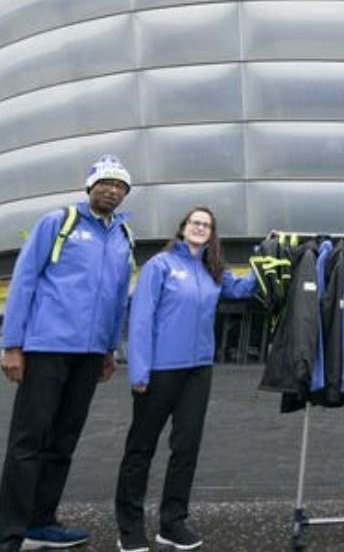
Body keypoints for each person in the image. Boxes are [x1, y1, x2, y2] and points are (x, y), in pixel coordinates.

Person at [0, 155, 136, 552]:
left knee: (63, 441)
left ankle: (41, 523)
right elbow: (24, 281)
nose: (112, 190)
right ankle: (9, 535)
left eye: (121, 185)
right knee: (28, 441)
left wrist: (110, 349)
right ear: (89, 187)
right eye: (105, 182)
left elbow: (117, 299)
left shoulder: (123, 236)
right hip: (46, 348)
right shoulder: (59, 223)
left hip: (90, 356)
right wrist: (12, 344)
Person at [114, 206, 257, 552]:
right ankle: (130, 528)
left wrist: (266, 255)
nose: (200, 227)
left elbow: (243, 289)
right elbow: (142, 319)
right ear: (182, 228)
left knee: (186, 447)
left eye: (206, 224)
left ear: (212, 234)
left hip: (198, 371)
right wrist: (139, 370)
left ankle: (172, 522)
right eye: (195, 222)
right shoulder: (160, 266)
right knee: (141, 448)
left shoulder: (213, 272)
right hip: (160, 370)